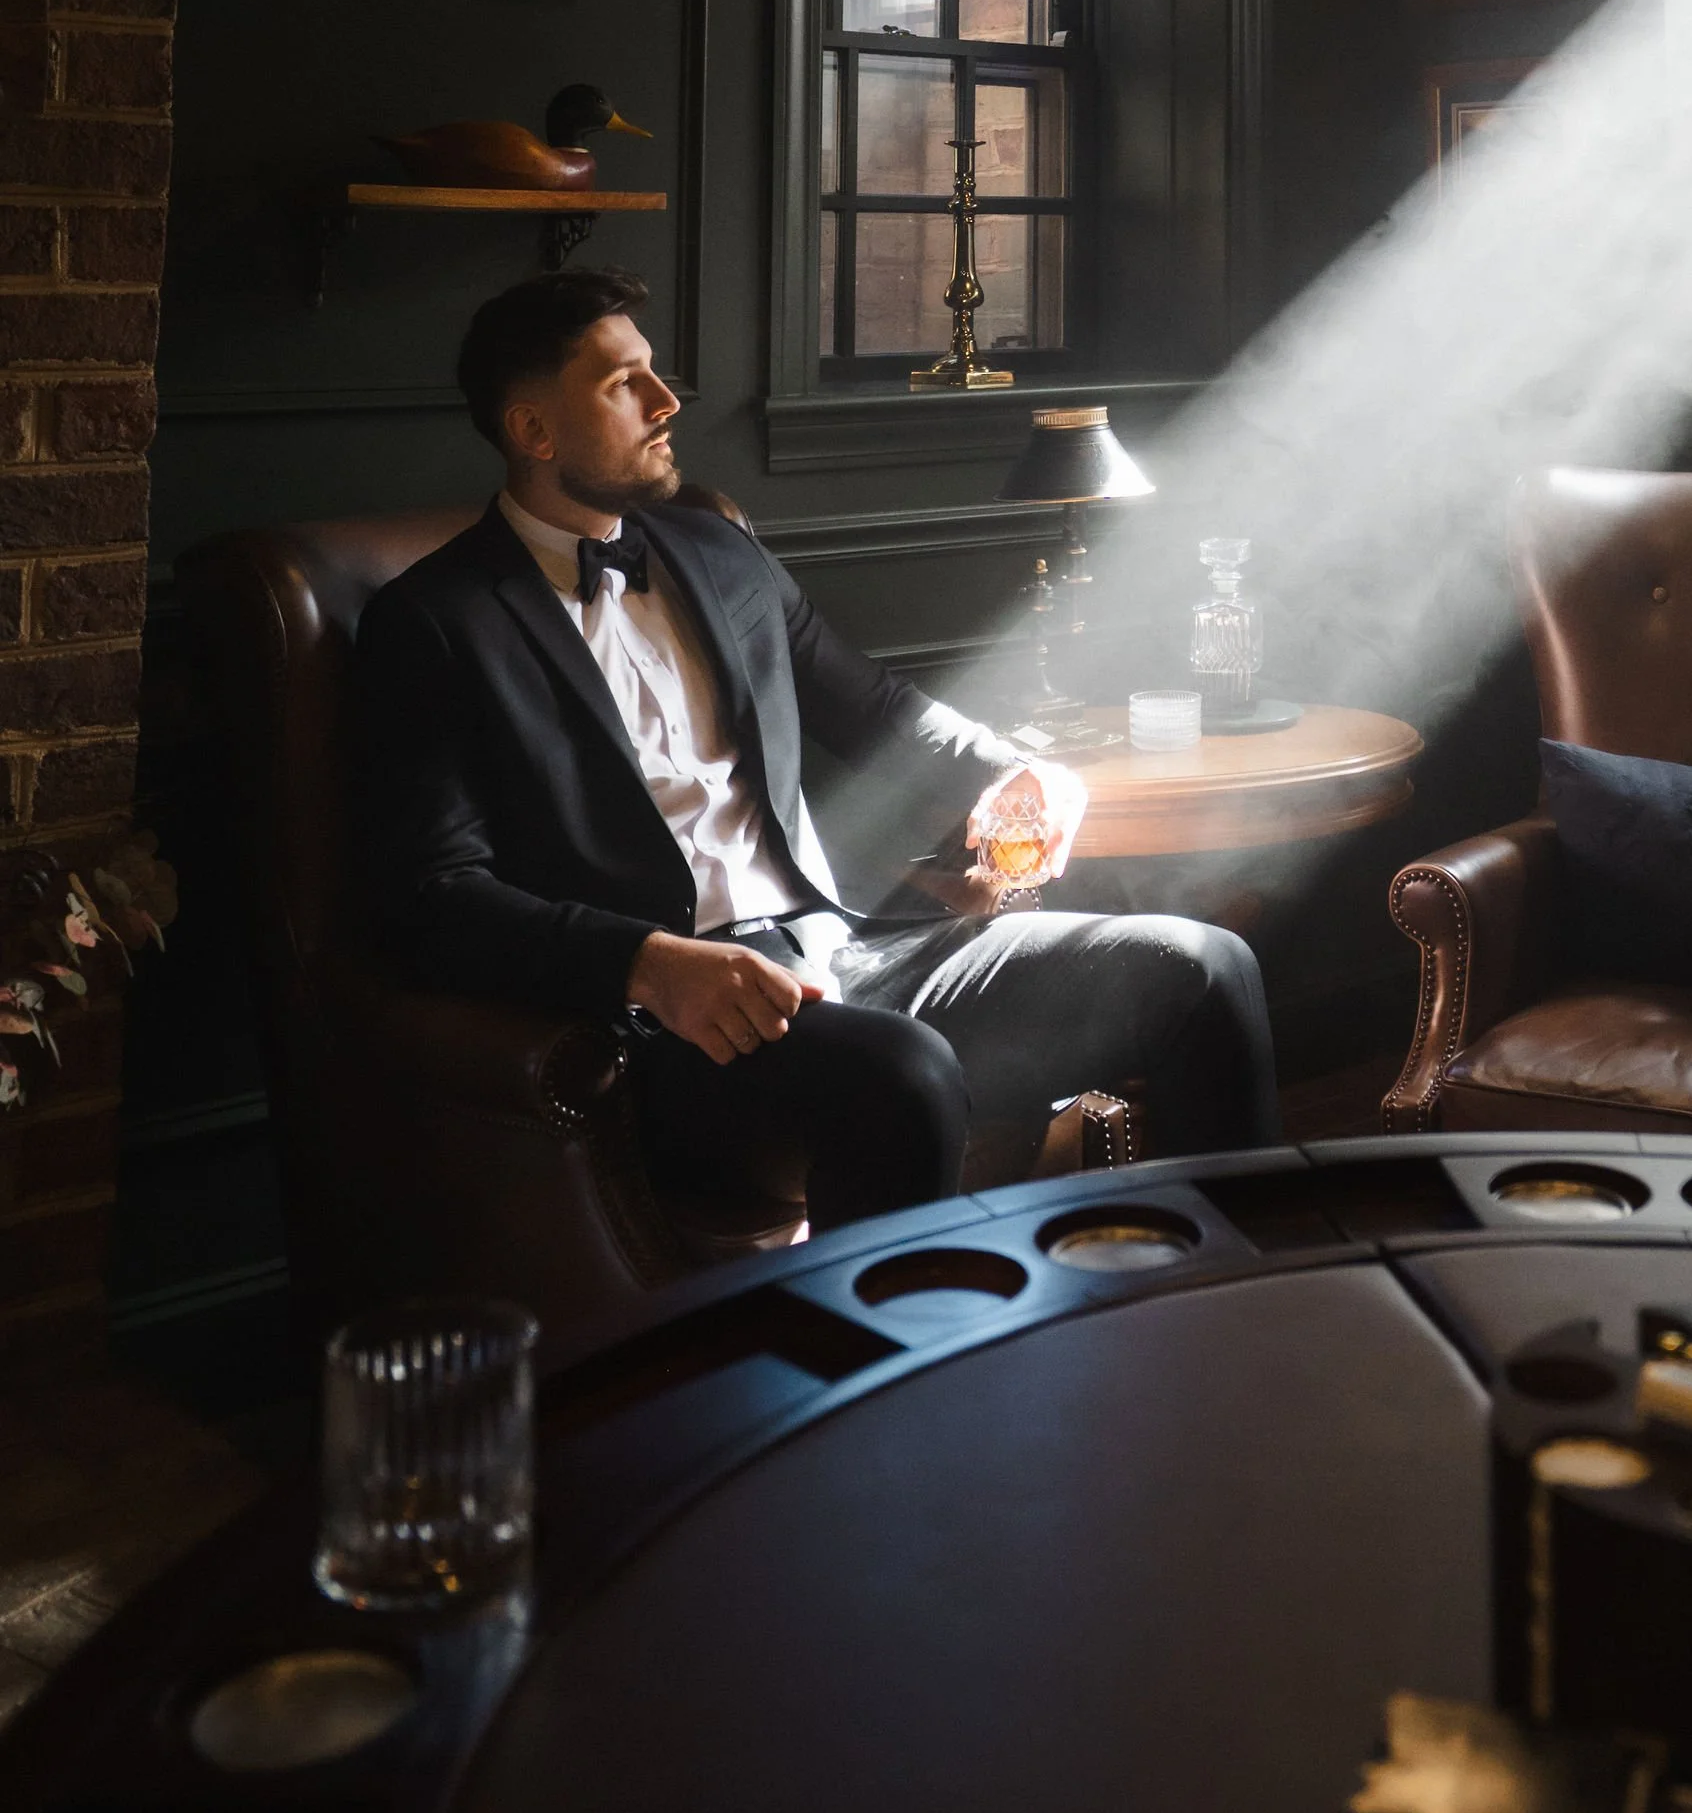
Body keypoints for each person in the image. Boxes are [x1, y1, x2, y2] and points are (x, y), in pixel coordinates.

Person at [350, 268, 1278, 1232]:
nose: (667, 401)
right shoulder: (434, 624)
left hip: (844, 949)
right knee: (900, 1071)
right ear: (533, 432)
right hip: (666, 1028)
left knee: (1204, 966)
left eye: (655, 372)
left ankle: (1245, 1300)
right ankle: (888, 1376)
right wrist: (649, 964)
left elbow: (877, 709)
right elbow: (436, 899)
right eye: (623, 384)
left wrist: (1014, 770)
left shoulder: (718, 553)